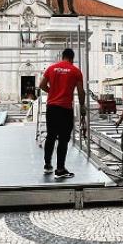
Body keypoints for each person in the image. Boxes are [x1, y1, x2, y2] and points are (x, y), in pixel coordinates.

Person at [39, 47, 86, 179]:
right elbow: (81, 91)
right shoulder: (75, 71)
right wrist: (82, 106)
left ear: (62, 56)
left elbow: (42, 85)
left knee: (51, 136)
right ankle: (60, 169)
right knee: (64, 139)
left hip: (52, 107)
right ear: (72, 58)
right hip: (65, 109)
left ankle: (47, 165)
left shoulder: (51, 68)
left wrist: (53, 92)